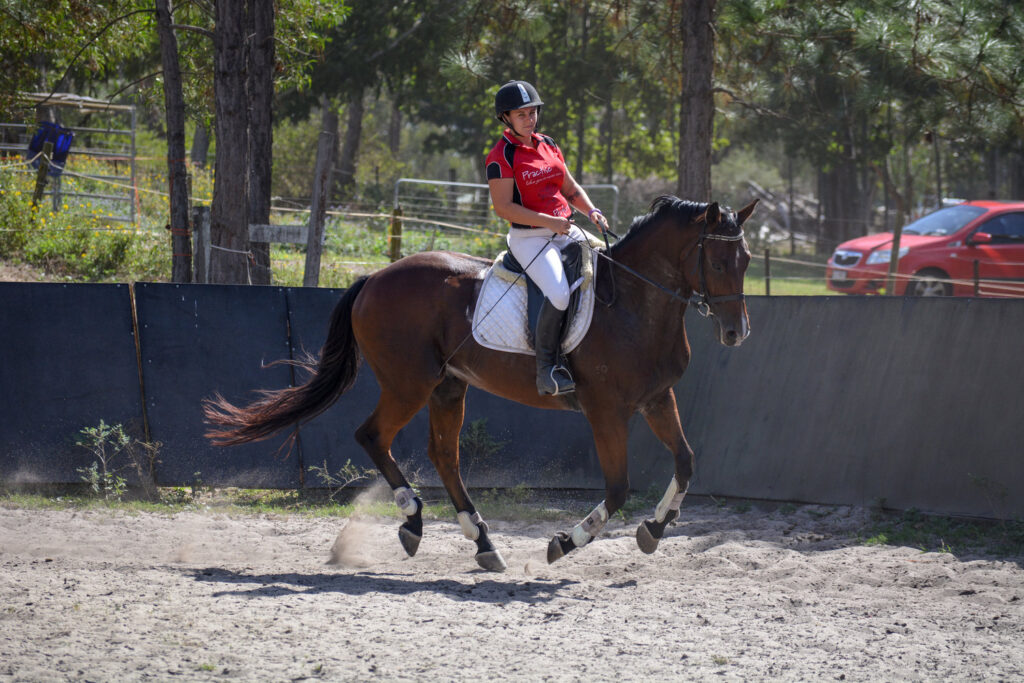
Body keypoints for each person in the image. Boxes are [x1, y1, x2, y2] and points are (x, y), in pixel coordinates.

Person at [485, 80, 610, 396]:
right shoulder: (501, 156)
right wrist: (548, 222)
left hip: (563, 228)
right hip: (530, 239)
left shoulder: (549, 144)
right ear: (506, 118)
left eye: (532, 113)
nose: (529, 119)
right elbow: (504, 208)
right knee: (558, 294)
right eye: (521, 114)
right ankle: (547, 370)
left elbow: (569, 188)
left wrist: (592, 211)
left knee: (608, 262)